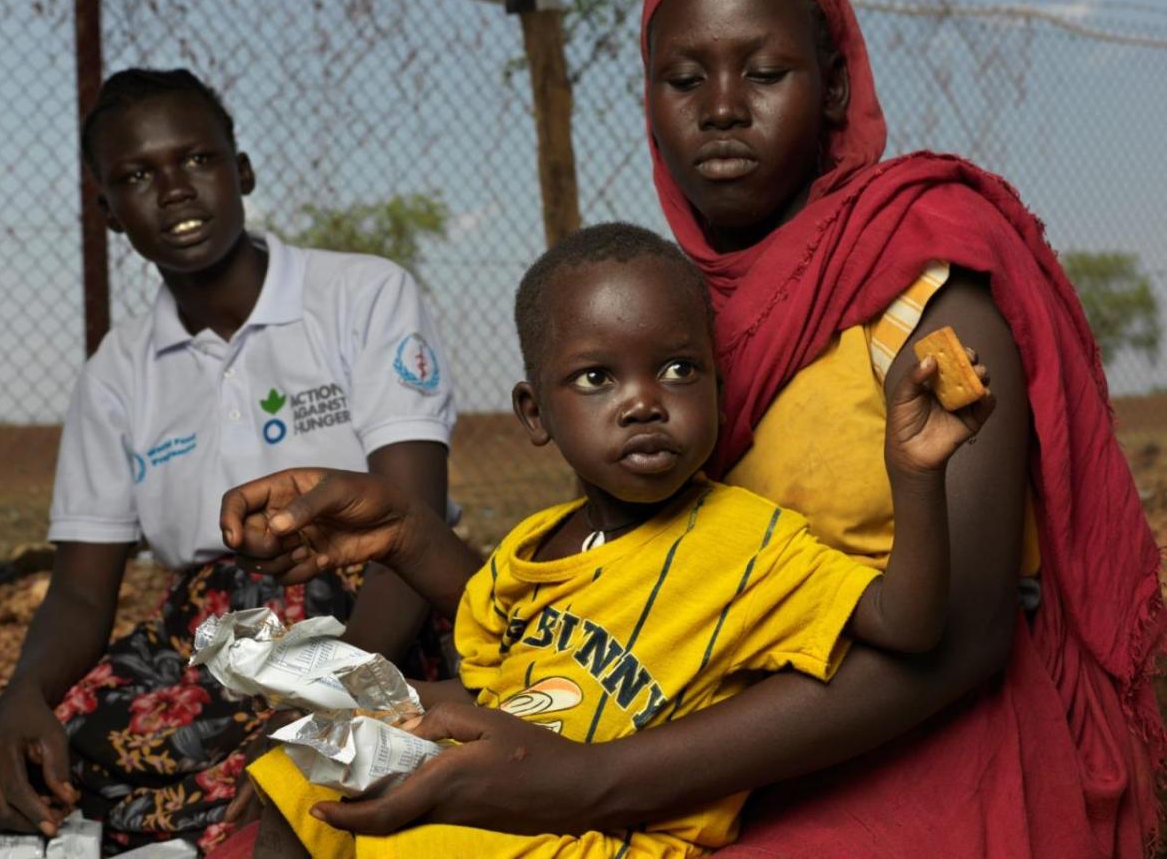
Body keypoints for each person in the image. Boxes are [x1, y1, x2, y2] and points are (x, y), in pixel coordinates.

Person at [217, 0, 1164, 857]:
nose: (720, 107)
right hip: (676, 728)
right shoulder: (655, 307)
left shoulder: (924, 281)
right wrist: (409, 534)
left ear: (832, 85)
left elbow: (959, 642)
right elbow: (629, 609)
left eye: (764, 73)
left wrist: (586, 782)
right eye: (682, 78)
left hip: (905, 738)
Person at [220, 221, 994, 857]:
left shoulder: (753, 542)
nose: (644, 403)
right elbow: (493, 674)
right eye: (597, 379)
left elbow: (912, 625)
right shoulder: (538, 543)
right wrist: (362, 703)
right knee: (306, 770)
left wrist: (915, 474)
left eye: (680, 369)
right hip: (508, 790)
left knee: (424, 841)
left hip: (606, 837)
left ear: (717, 389)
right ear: (535, 414)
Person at [0, 68, 456, 855]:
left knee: (302, 755)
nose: (174, 191)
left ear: (242, 172)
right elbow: (81, 595)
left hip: (365, 618)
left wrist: (331, 700)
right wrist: (22, 696)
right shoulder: (117, 370)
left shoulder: (361, 296)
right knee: (28, 748)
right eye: (135, 176)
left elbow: (410, 532)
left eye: (196, 160)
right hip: (205, 641)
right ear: (109, 213)